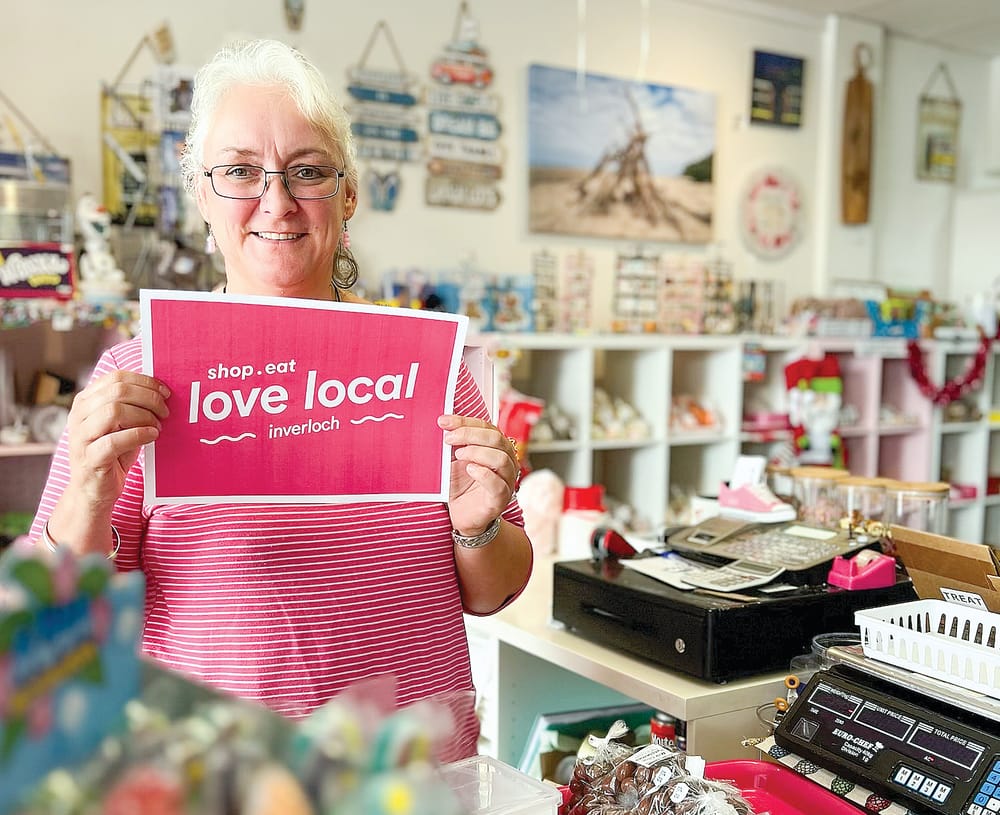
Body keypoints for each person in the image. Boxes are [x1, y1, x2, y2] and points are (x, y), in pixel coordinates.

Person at [29, 38, 532, 763]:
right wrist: (87, 497)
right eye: (239, 171)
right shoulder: (140, 380)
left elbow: (495, 590)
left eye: (307, 171)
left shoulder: (428, 369)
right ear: (201, 194)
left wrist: (478, 524)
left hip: (416, 782)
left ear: (346, 194)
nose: (277, 201)